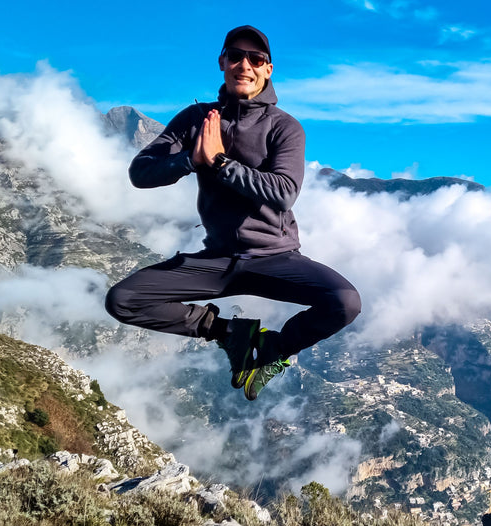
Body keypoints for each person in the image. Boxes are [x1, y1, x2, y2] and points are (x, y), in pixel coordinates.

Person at [105, 25, 361, 400]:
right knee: (123, 300)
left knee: (345, 302)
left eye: (256, 59)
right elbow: (140, 173)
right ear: (222, 62)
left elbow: (284, 193)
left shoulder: (284, 128)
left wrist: (220, 163)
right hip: (217, 260)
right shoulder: (196, 119)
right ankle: (230, 334)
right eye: (236, 56)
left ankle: (275, 348)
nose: (245, 65)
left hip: (274, 258)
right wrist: (190, 160)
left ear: (268, 69)